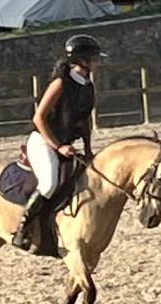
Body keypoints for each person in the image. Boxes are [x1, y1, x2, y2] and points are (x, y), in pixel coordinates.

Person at [12, 34, 105, 250]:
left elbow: (84, 121)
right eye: (94, 58)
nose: (98, 62)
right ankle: (23, 228)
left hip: (67, 145)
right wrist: (58, 146)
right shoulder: (60, 84)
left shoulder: (87, 85)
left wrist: (89, 150)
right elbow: (38, 118)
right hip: (44, 140)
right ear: (83, 60)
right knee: (50, 183)